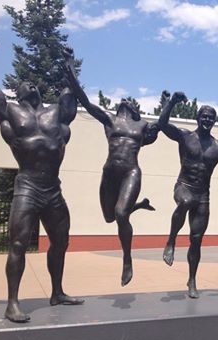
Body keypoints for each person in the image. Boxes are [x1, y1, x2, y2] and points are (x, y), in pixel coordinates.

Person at [0, 37, 84, 322]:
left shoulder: (56, 115)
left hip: (53, 189)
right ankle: (12, 302)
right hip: (27, 187)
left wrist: (69, 63)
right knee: (18, 244)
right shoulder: (11, 113)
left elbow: (70, 93)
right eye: (25, 83)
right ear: (19, 91)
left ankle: (57, 291)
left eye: (35, 83)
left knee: (61, 242)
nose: (32, 84)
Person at [64, 58, 158, 287]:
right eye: (123, 99)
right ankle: (139, 205)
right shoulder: (109, 120)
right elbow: (84, 101)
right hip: (110, 172)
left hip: (130, 172)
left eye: (131, 101)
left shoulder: (141, 126)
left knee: (121, 214)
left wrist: (169, 103)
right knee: (110, 217)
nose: (126, 101)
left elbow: (162, 125)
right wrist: (70, 70)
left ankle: (127, 259)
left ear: (136, 110)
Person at [158, 91, 218, 298]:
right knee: (185, 201)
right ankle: (171, 241)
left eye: (211, 117)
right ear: (198, 118)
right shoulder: (185, 136)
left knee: (196, 240)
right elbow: (162, 125)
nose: (207, 120)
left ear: (215, 121)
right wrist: (171, 102)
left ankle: (192, 280)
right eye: (204, 116)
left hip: (203, 195)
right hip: (184, 186)